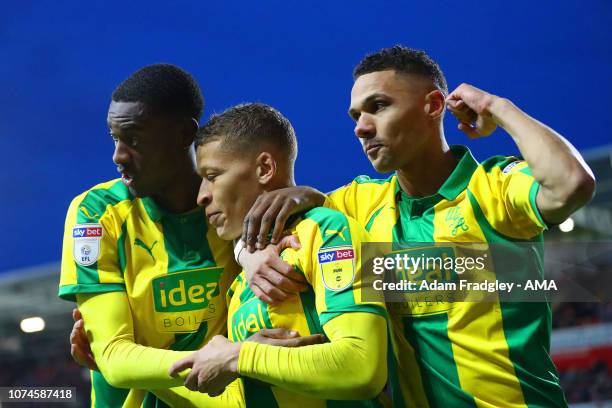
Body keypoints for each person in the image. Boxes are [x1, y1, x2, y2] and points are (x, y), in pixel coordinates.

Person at [237, 46, 595, 407]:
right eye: (355, 115)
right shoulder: (358, 205)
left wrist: (498, 108)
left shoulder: (493, 188)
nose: (361, 127)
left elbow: (571, 183)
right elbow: (260, 234)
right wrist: (249, 254)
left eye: (378, 106)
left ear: (434, 105)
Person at [166, 103, 389, 407]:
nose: (201, 195)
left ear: (265, 169)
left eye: (213, 175)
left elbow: (362, 367)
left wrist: (240, 355)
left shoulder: (326, 232)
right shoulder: (242, 279)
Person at [59, 64, 245, 407]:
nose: (118, 155)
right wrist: (235, 358)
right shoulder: (97, 212)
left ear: (184, 134)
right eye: (115, 138)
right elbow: (114, 358)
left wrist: (301, 195)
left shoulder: (237, 207)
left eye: (134, 139)